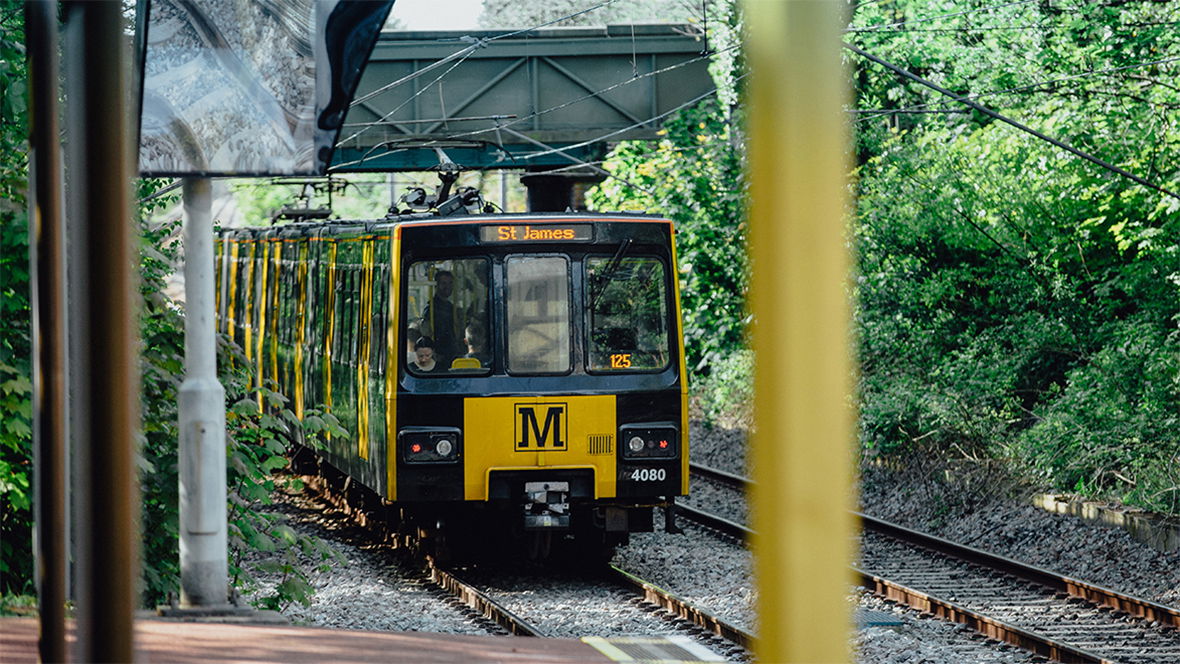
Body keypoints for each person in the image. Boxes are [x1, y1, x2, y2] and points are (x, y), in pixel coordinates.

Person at [420, 270, 462, 366]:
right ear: (436, 286)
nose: (448, 287)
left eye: (450, 283)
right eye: (443, 283)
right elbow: (425, 333)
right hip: (439, 356)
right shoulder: (431, 308)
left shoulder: (450, 307)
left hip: (452, 353)